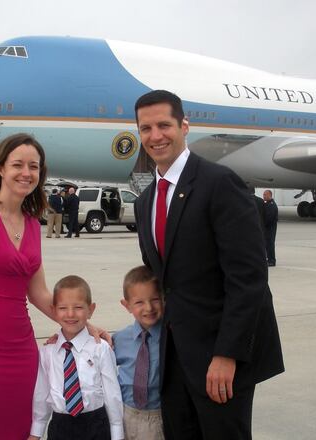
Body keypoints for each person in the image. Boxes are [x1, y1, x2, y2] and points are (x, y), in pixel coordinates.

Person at [133, 90, 284, 439]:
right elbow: (161, 280)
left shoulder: (219, 183)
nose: (155, 136)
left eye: (164, 125)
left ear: (184, 126)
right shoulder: (145, 202)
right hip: (174, 358)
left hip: (220, 357)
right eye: (146, 128)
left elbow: (248, 278)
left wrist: (228, 354)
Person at [0, 133, 108, 439]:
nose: (26, 173)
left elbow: (39, 293)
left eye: (34, 166)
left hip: (21, 351)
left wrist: (84, 326)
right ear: (0, 168)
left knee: (21, 429)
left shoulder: (31, 222)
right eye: (18, 164)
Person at [29, 275, 124, 440]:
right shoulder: (47, 353)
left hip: (96, 425)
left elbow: (112, 394)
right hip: (60, 427)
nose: (70, 314)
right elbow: (41, 395)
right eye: (63, 308)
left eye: (78, 307)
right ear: (53, 310)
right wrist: (36, 432)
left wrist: (117, 433)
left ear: (91, 310)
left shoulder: (100, 348)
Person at [113, 266, 164, 440]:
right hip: (125, 414)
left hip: (158, 416)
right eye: (139, 302)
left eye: (155, 299)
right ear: (126, 305)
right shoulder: (119, 339)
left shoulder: (170, 339)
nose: (149, 308)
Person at [263, 190, 278, 266]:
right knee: (267, 244)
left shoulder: (271, 205)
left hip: (270, 228)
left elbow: (269, 218)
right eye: (263, 194)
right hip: (267, 228)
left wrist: (262, 224)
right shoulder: (267, 204)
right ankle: (269, 259)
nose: (264, 196)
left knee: (270, 244)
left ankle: (272, 260)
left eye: (265, 195)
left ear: (270, 195)